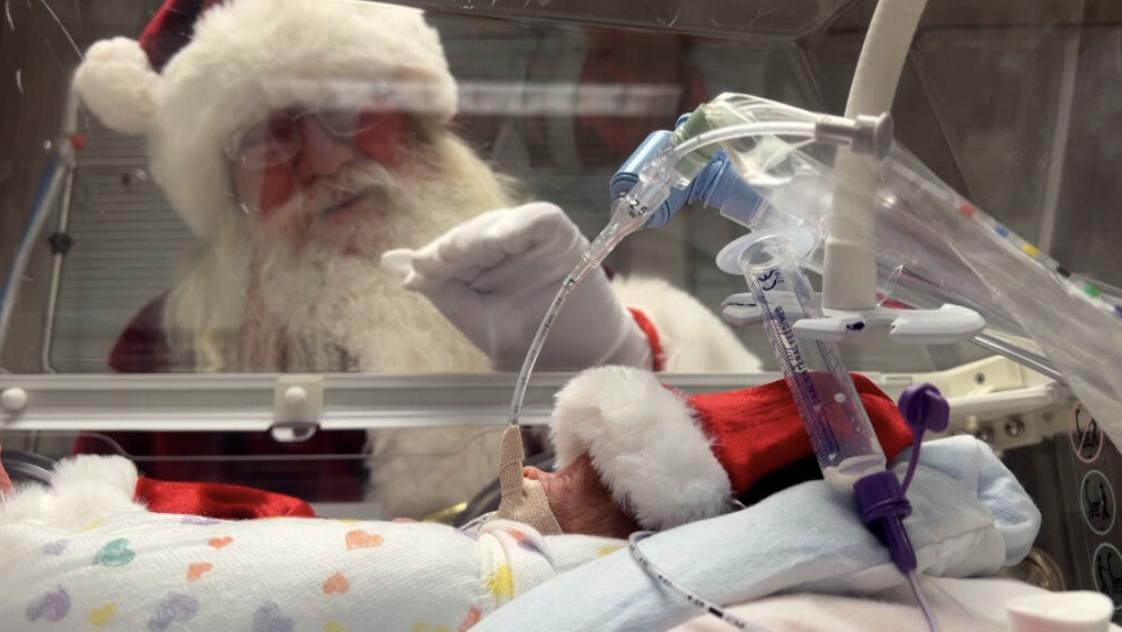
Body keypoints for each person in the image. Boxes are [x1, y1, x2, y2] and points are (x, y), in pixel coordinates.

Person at [70, 0, 761, 513]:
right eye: (267, 137)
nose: (327, 158)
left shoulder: (542, 276)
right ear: (228, 187)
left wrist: (625, 360)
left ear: (423, 126)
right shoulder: (162, 350)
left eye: (347, 110)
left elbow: (742, 479)